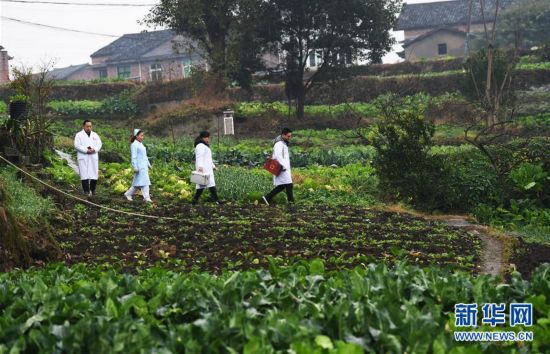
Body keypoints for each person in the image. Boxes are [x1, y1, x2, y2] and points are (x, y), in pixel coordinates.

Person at [262, 128, 294, 206]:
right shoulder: (279, 143)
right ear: (283, 135)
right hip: (282, 168)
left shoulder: (283, 142)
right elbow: (278, 156)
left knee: (283, 185)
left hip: (284, 167)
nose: (289, 138)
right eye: (288, 136)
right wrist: (283, 166)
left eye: (290, 136)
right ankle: (291, 203)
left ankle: (267, 197)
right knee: (289, 184)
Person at [191, 131, 223, 205]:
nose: (208, 139)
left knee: (205, 185)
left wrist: (213, 166)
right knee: (204, 185)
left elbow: (208, 158)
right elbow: (199, 157)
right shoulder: (200, 146)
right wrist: (200, 167)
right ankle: (216, 200)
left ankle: (195, 201)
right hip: (203, 169)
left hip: (207, 168)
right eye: (207, 137)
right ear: (203, 137)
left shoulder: (204, 145)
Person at [74, 119, 102, 196]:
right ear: (83, 126)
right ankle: (86, 191)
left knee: (94, 173)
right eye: (87, 126)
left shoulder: (95, 135)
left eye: (90, 126)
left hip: (93, 156)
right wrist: (86, 150)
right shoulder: (79, 135)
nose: (89, 128)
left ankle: (93, 190)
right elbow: (77, 145)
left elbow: (99, 144)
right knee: (84, 174)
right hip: (83, 156)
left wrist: (94, 149)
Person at [124, 129, 153, 203]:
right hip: (139, 166)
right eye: (141, 135)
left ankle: (128, 194)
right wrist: (135, 167)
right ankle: (146, 198)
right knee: (145, 182)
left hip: (144, 166)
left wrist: (149, 164)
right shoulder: (134, 144)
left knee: (137, 183)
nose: (142, 137)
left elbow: (145, 156)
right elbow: (134, 157)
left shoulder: (141, 144)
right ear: (136, 136)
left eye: (143, 135)